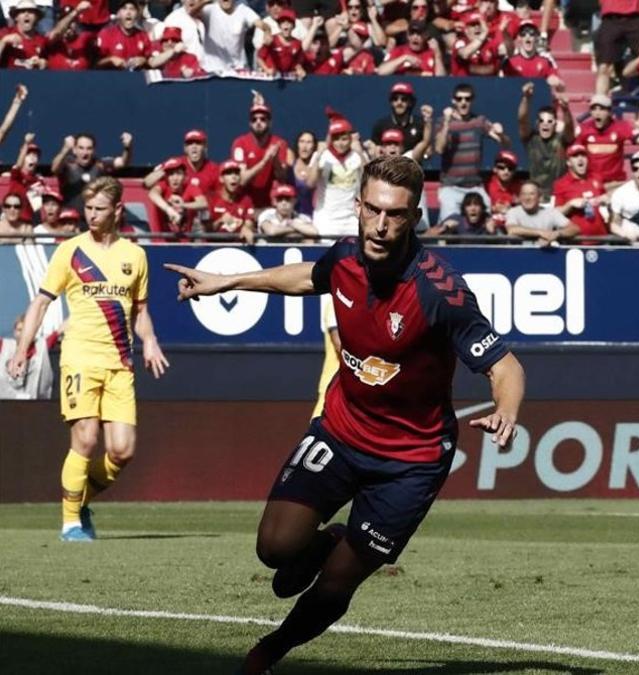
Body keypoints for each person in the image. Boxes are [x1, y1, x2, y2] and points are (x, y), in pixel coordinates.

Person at [164, 156, 525, 673]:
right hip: (340, 431)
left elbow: (504, 365)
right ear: (357, 207)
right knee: (275, 550)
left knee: (337, 581)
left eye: (395, 215)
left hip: (411, 461)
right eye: (373, 210)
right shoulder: (345, 258)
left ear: (414, 216)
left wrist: (507, 411)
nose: (381, 225)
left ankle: (272, 649)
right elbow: (307, 276)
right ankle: (328, 537)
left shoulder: (440, 291)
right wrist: (228, 282)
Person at [6, 176, 169, 542]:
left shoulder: (135, 255)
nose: (91, 216)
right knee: (85, 436)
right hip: (79, 357)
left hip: (120, 363)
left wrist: (151, 342)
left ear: (117, 210)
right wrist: (22, 348)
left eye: (98, 209)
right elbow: (41, 301)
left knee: (122, 450)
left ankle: (78, 500)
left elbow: (140, 311)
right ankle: (69, 525)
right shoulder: (70, 251)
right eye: (88, 209)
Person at [435, 82, 509, 220]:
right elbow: (439, 148)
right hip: (451, 187)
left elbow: (505, 145)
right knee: (448, 225)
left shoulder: (479, 121)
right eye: (459, 99)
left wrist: (502, 134)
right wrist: (446, 122)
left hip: (475, 187)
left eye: (467, 99)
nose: (463, 103)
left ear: (472, 101)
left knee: (490, 221)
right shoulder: (442, 122)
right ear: (453, 101)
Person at [311, 115, 368, 238]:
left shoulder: (358, 155)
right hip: (326, 220)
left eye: (344, 139)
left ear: (350, 139)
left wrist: (360, 153)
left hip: (352, 220)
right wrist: (319, 155)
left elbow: (370, 180)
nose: (340, 143)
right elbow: (310, 183)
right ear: (330, 139)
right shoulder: (322, 156)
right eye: (336, 139)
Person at [232, 98, 293, 209]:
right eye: (254, 119)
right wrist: (264, 161)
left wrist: (275, 161)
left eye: (263, 119)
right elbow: (242, 179)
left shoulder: (279, 143)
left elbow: (282, 178)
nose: (258, 122)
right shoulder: (240, 143)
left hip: (271, 204)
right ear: (249, 123)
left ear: (270, 122)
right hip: (245, 202)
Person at [517, 82, 574, 195]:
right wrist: (526, 98)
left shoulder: (561, 140)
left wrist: (566, 110)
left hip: (558, 195)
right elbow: (522, 120)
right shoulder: (531, 139)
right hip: (537, 196)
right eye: (542, 121)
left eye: (550, 121)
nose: (545, 124)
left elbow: (569, 128)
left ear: (555, 124)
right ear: (537, 124)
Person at [51, 132, 133, 211]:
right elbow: (54, 169)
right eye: (81, 148)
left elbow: (122, 162)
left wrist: (127, 148)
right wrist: (65, 149)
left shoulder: (100, 164)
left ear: (94, 151)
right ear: (74, 150)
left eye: (89, 148)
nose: (85, 153)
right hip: (70, 221)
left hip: (94, 220)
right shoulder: (67, 164)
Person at [576, 93, 636, 188]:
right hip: (591, 183)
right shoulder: (584, 129)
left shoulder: (620, 127)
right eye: (594, 109)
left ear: (610, 112)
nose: (597, 113)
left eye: (602, 109)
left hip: (615, 183)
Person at [0, 312, 62, 400]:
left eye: (26, 331)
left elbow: (61, 329)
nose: (22, 334)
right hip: (5, 407)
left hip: (36, 407)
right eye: (19, 330)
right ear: (14, 331)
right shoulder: (4, 345)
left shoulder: (42, 345)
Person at [552, 144, 608, 239]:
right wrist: (570, 204)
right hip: (577, 240)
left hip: (601, 238)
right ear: (568, 162)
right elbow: (555, 214)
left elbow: (605, 202)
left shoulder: (596, 178)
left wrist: (606, 199)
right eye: (575, 156)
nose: (580, 159)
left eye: (583, 155)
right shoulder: (561, 184)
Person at [200, 0, 266, 74]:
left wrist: (267, 31)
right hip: (212, 70)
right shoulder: (208, 9)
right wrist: (204, 2)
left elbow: (260, 23)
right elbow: (190, 13)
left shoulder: (243, 10)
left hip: (238, 69)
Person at [504, 180, 578, 246]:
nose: (527, 198)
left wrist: (557, 234)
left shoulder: (551, 212)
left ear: (540, 197)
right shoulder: (513, 212)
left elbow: (574, 228)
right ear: (519, 197)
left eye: (531, 194)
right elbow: (512, 230)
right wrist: (541, 233)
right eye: (524, 194)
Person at [207, 160, 256, 244]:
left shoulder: (246, 200)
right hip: (214, 248)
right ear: (221, 179)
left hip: (239, 247)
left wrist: (245, 228)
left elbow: (249, 223)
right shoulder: (211, 199)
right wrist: (220, 221)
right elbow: (205, 229)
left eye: (236, 173)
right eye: (229, 173)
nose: (234, 177)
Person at [95, 0, 153, 70]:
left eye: (132, 9)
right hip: (111, 76)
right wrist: (110, 60)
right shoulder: (106, 34)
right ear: (118, 13)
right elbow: (95, 64)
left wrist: (143, 60)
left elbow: (151, 60)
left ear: (137, 14)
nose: (128, 13)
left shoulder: (143, 36)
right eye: (124, 8)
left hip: (135, 77)